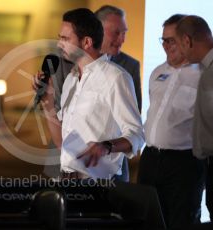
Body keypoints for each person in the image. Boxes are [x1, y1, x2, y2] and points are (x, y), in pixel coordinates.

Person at [34, 8, 144, 180]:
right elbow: (61, 142)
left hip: (98, 184)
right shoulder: (72, 79)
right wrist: (47, 98)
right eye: (59, 37)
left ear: (86, 42)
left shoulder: (116, 77)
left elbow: (136, 134)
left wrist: (105, 146)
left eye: (65, 38)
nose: (58, 44)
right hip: (66, 179)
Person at [137, 14, 205, 228]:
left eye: (171, 40)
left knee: (181, 220)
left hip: (184, 162)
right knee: (146, 219)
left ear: (186, 40)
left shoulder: (204, 74)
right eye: (163, 40)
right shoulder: (157, 72)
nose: (165, 45)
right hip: (150, 158)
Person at [176, 15, 213, 222]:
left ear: (187, 40)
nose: (181, 52)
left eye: (178, 44)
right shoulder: (208, 67)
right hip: (211, 167)